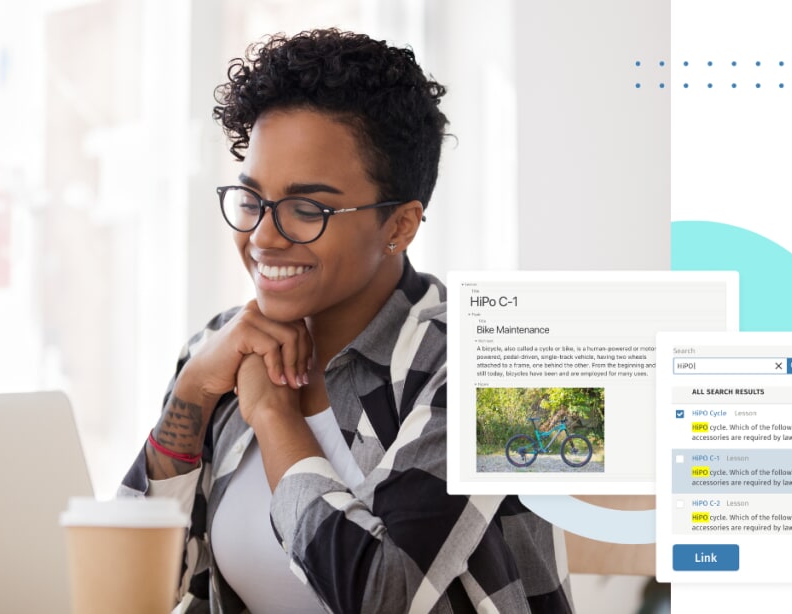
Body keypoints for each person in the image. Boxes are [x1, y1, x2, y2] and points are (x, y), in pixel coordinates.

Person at [119, 28, 574, 614]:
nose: (262, 236)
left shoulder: (510, 364)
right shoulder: (219, 349)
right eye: (252, 198)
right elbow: (132, 585)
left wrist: (274, 416)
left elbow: (380, 594)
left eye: (307, 209)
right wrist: (191, 391)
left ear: (401, 226)